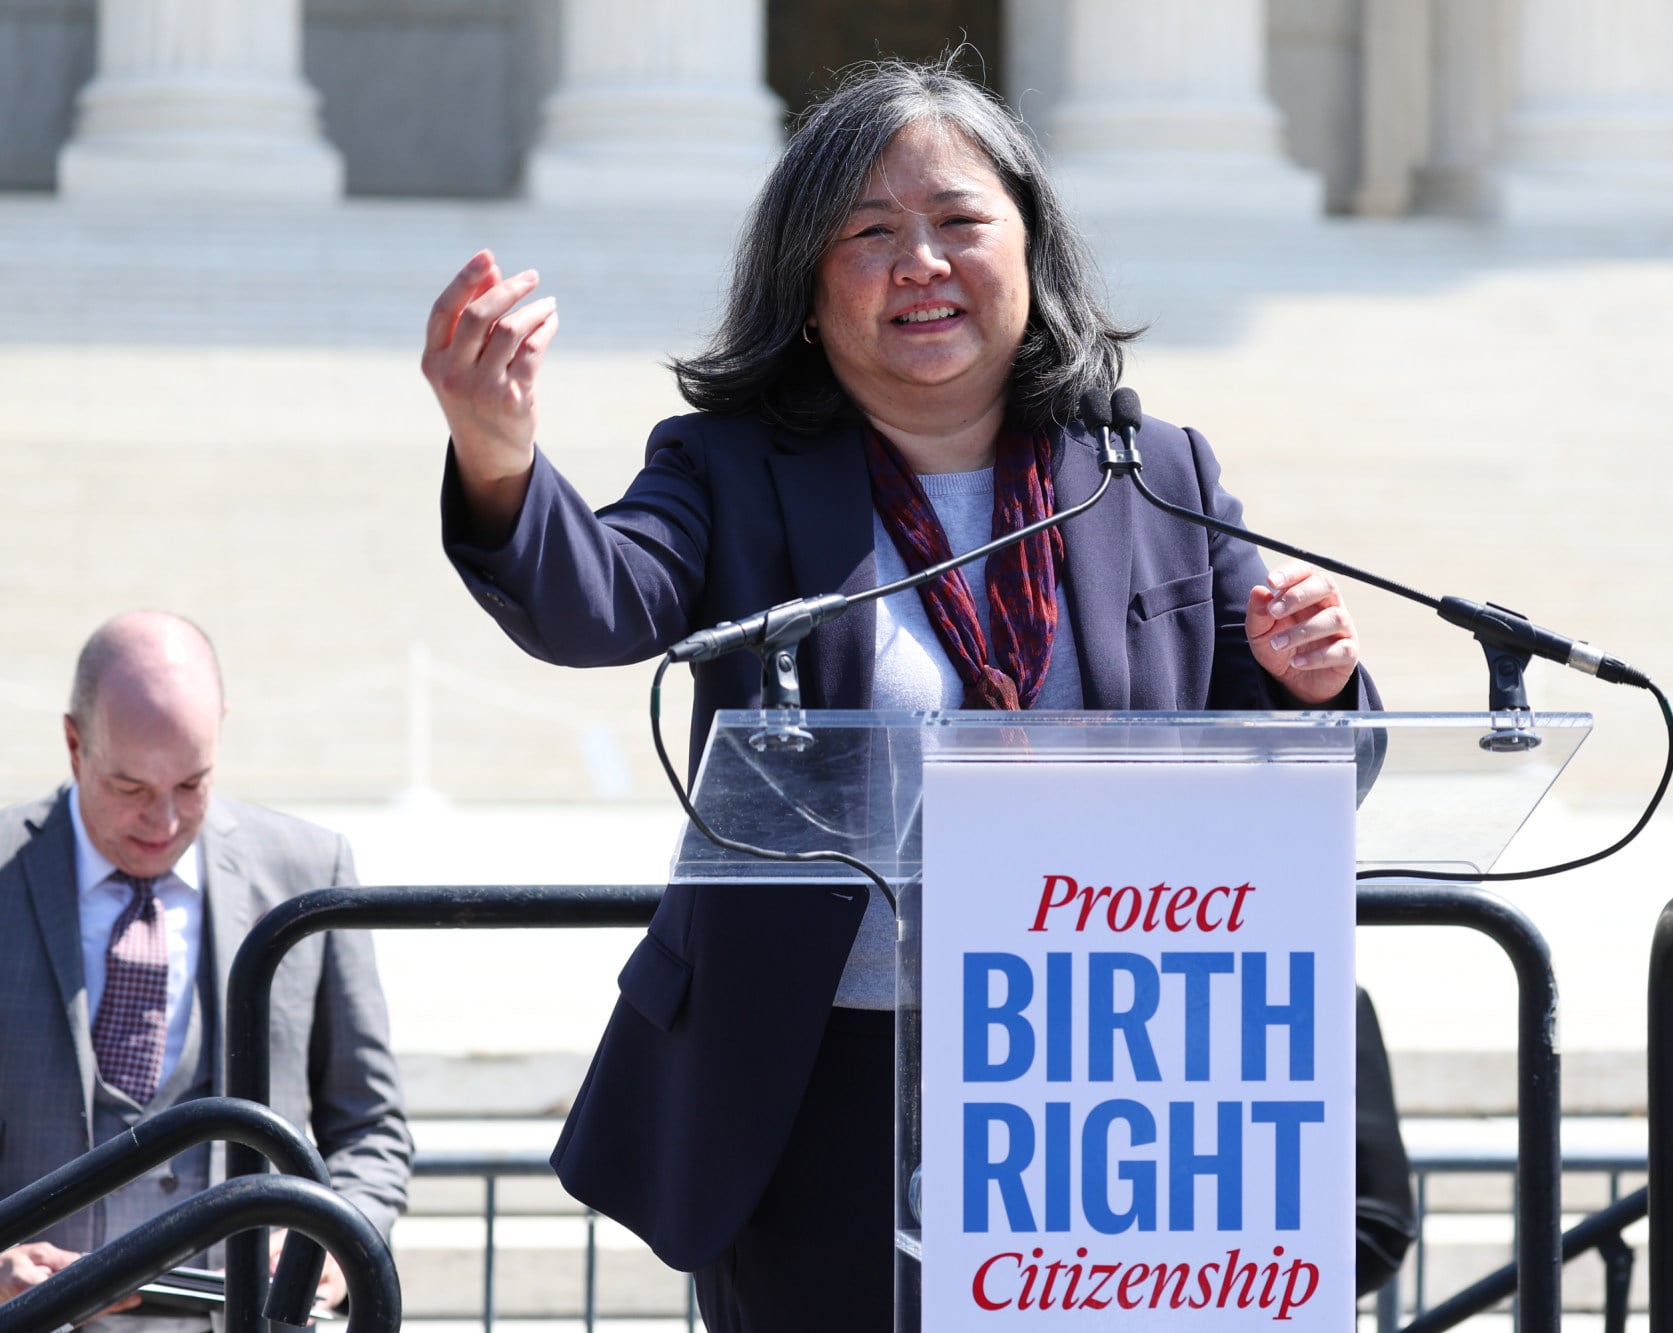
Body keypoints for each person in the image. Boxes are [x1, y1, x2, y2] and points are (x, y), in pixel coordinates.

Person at [424, 57, 1412, 1328]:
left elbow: (1303, 758)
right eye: (870, 233)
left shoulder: (1148, 469)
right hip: (824, 1077)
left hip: (1107, 1072)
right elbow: (596, 599)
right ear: (805, 279)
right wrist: (497, 456)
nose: (921, 264)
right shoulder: (730, 470)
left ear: (1029, 246)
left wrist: (1311, 684)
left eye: (958, 222)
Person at [0, 612, 411, 1323]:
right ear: (73, 744)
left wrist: (333, 1242)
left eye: (192, 784)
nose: (161, 820)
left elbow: (371, 1127)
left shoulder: (309, 870)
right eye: (129, 788)